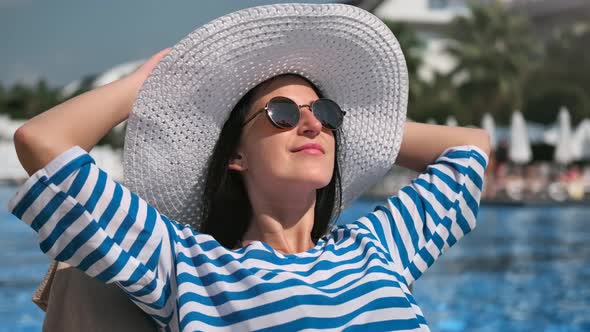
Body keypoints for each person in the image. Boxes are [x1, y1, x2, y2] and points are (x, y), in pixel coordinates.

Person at [8, 3, 490, 331]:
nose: (311, 125)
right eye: (282, 114)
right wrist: (147, 86)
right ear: (235, 155)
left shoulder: (379, 247)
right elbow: (42, 140)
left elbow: (471, 147)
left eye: (324, 114)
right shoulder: (189, 267)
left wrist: (361, 123)